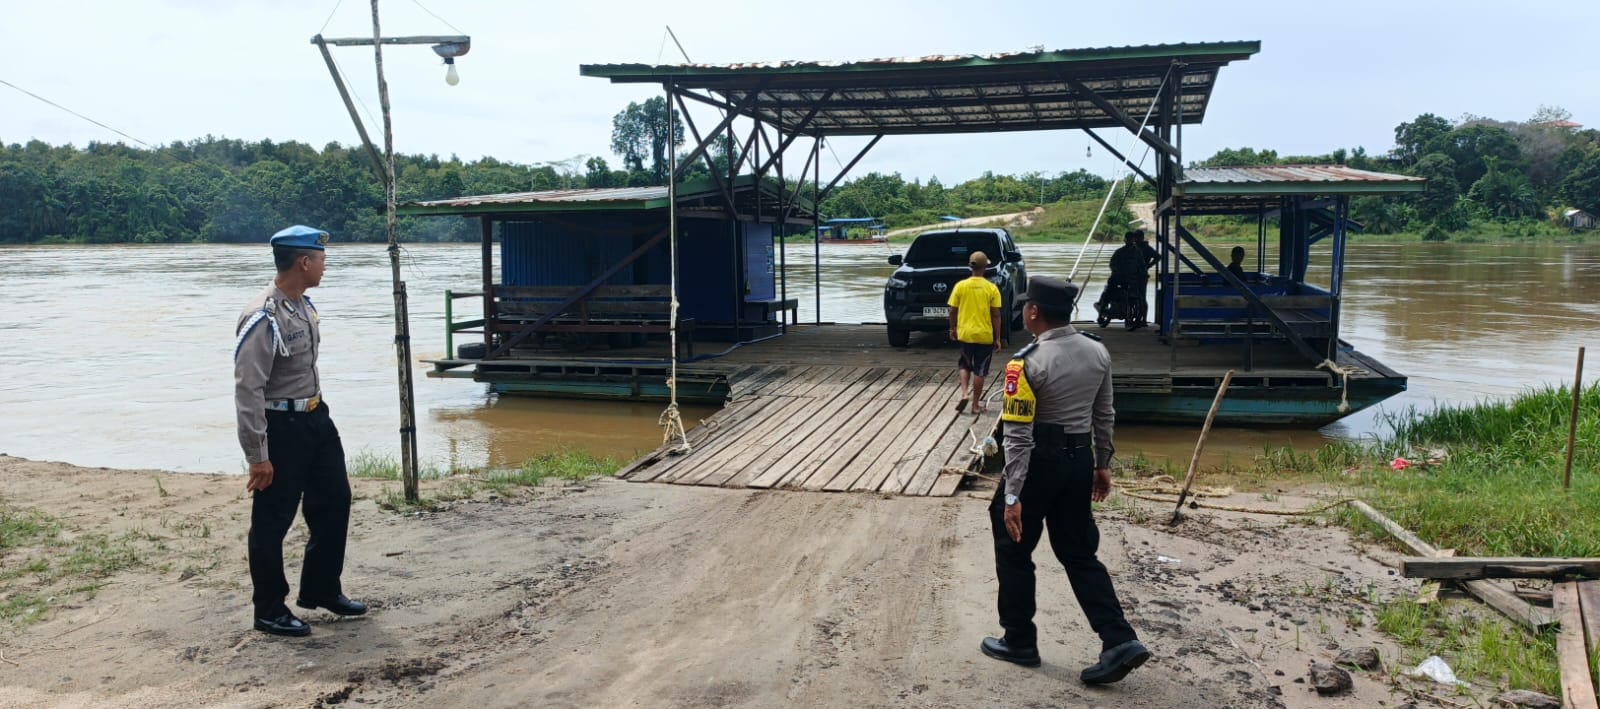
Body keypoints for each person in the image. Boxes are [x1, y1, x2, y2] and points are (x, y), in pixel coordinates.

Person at [980, 275, 1149, 685]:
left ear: (1034, 311)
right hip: (1078, 462)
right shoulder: (1097, 352)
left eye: (1025, 306)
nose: (1022, 311)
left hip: (1037, 465)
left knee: (1013, 546)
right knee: (1078, 554)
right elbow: (1104, 413)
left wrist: (1013, 494)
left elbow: (1018, 438)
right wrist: (1102, 462)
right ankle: (1118, 639)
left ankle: (1019, 640)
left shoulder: (1025, 364)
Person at [234, 224, 366, 637]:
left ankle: (322, 588)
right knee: (273, 521)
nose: (325, 266)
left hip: (315, 417)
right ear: (304, 262)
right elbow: (248, 388)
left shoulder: (303, 306)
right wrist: (258, 455)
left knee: (335, 500)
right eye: (322, 259)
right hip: (281, 426)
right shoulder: (263, 317)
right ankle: (269, 609)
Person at [947, 250, 1004, 414]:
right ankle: (975, 405)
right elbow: (996, 315)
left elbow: (952, 311)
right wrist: (998, 338)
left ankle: (965, 394)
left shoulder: (960, 286)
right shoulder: (991, 288)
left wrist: (953, 328)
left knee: (964, 365)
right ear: (985, 267)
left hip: (965, 334)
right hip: (984, 336)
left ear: (970, 266)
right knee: (980, 370)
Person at [1105, 230, 1159, 330]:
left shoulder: (1142, 249)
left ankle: (1141, 320)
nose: (1135, 240)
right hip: (1129, 276)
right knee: (1123, 293)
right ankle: (1131, 318)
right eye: (1134, 238)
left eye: (1136, 238)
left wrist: (1146, 268)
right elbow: (1113, 264)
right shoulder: (1126, 250)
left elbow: (1147, 261)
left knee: (1140, 297)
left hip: (1138, 277)